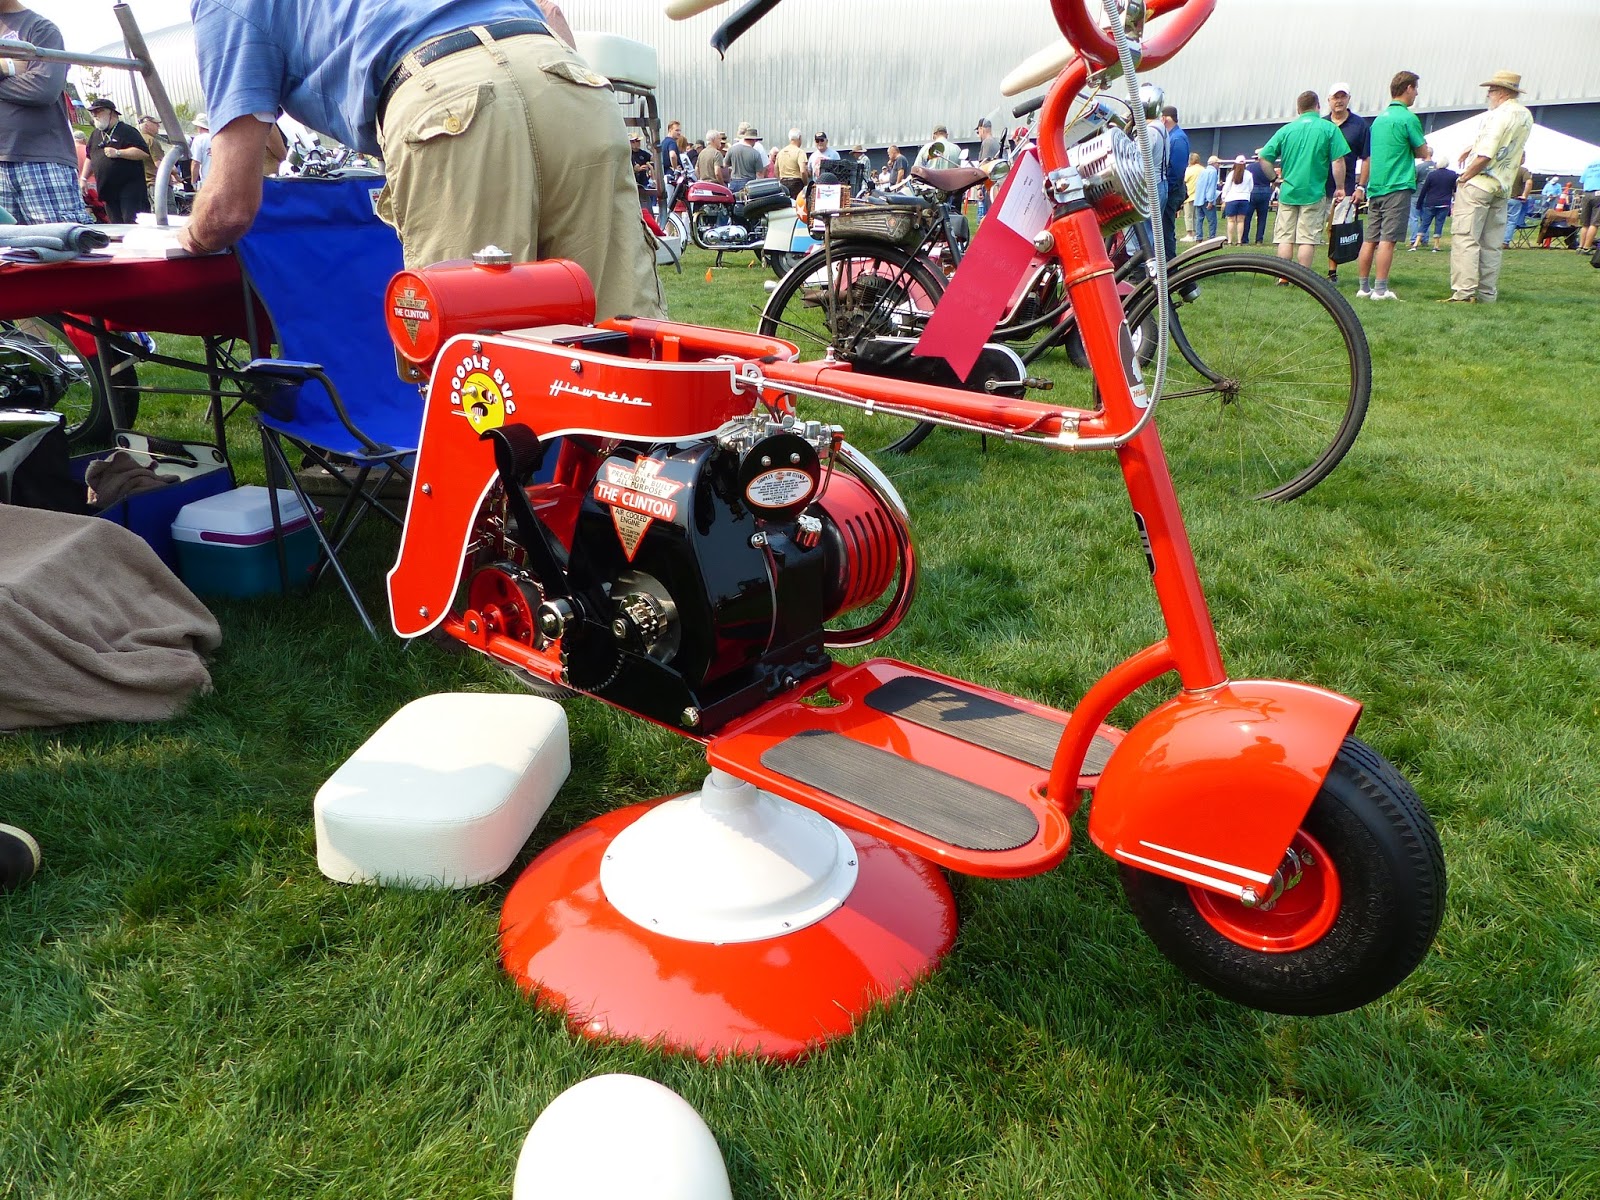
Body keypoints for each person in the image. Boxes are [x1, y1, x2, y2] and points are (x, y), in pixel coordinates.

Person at [180, 1, 663, 323]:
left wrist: (188, 235)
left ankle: (494, 478)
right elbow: (552, 10)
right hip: (565, 75)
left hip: (442, 93)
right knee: (621, 337)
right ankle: (653, 473)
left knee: (475, 365)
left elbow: (229, 206)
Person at [0, 0, 95, 224]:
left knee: (60, 245)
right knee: (6, 256)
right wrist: (11, 68)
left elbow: (43, 89)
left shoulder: (40, 28)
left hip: (41, 161)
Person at [1442, 70, 1533, 303]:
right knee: (1492, 244)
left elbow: (1486, 154)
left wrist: (1465, 176)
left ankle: (1464, 292)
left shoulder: (1497, 115)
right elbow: (1512, 147)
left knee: (1466, 238)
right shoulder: (1524, 115)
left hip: (1479, 184)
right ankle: (1487, 294)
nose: (1488, 95)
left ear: (1501, 92)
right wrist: (1471, 146)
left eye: (1491, 91)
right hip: (1503, 187)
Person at [1354, 70, 1430, 300]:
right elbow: (1422, 151)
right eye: (1415, 89)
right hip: (1397, 186)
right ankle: (1381, 289)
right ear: (1407, 88)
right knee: (1388, 240)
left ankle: (1363, 287)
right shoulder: (1408, 118)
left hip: (1376, 187)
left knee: (1370, 239)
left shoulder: (1378, 120)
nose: (1416, 94)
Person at [1259, 90, 1350, 270]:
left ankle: (1283, 276)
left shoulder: (1286, 130)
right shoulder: (1329, 128)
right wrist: (1340, 187)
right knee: (1306, 238)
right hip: (1314, 191)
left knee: (1285, 237)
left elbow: (1264, 157)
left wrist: (1274, 178)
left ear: (1298, 109)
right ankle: (1304, 277)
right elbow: (1338, 160)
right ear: (1318, 106)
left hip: (1288, 191)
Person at [1321, 82, 1368, 284]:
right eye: (1335, 97)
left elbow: (1367, 158)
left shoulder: (1360, 126)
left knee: (1337, 229)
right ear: (1329, 100)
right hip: (1319, 186)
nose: (1339, 101)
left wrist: (1361, 186)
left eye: (1343, 97)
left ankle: (1332, 272)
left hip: (1346, 187)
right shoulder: (1322, 124)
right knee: (1314, 230)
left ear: (1348, 99)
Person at [81, 98, 152, 223]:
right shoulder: (95, 134)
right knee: (116, 226)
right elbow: (89, 157)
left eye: (98, 111)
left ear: (111, 113)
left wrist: (119, 153)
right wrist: (83, 178)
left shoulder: (127, 131)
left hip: (130, 190)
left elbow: (143, 152)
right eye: (92, 112)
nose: (94, 115)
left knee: (132, 224)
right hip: (108, 189)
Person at [1159, 105, 1190, 257]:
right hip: (1170, 190)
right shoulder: (1174, 137)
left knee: (1165, 231)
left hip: (1171, 192)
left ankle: (1169, 266)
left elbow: (1177, 170)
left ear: (1164, 118)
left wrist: (1165, 190)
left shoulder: (1177, 139)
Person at [1409, 159, 1455, 250]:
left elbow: (1424, 189)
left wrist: (1419, 203)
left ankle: (1415, 244)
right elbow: (1454, 189)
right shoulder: (1452, 175)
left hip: (1430, 202)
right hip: (1444, 203)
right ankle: (1436, 245)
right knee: (1439, 224)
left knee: (1425, 223)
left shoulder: (1432, 175)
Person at [1502, 153, 1532, 248]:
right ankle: (1505, 242)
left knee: (1499, 220)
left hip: (1502, 198)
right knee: (1511, 221)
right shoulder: (1523, 171)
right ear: (1521, 158)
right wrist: (1524, 195)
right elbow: (1529, 182)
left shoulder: (1504, 168)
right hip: (1515, 199)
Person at [1220, 155, 1251, 245]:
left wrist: (1223, 198)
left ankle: (1229, 241)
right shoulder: (1248, 174)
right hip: (1244, 199)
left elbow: (1226, 187)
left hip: (1232, 198)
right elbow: (1251, 187)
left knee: (1231, 220)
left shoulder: (1231, 174)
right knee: (1241, 221)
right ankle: (1239, 241)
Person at [726, 126, 765, 193]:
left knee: (734, 202)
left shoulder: (732, 149)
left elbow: (725, 165)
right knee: (746, 202)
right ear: (754, 140)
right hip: (748, 184)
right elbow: (760, 174)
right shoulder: (755, 153)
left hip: (733, 182)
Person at [772, 128, 808, 199]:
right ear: (800, 138)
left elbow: (776, 169)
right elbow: (803, 171)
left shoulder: (781, 152)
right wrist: (805, 184)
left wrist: (779, 180)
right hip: (796, 184)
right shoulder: (800, 152)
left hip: (783, 183)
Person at [1244, 154, 1273, 243]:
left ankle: (1244, 238)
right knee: (1262, 217)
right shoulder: (1269, 167)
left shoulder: (1249, 167)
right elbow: (1272, 179)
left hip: (1253, 191)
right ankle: (1259, 239)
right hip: (1265, 191)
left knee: (1247, 217)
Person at [1191, 154, 1220, 240]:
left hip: (1198, 199)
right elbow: (1211, 187)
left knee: (1199, 220)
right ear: (1214, 163)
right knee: (1212, 220)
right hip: (1207, 200)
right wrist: (1210, 200)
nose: (1219, 165)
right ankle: (1212, 236)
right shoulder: (1213, 172)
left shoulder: (1203, 171)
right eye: (1218, 163)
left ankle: (1199, 237)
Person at [1576, 155, 1600, 254]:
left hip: (1586, 194)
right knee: (1595, 222)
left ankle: (1580, 247)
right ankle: (1587, 248)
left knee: (1585, 223)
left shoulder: (1590, 164)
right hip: (1598, 193)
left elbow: (1582, 180)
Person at [1181, 151, 1202, 240]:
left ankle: (1190, 234)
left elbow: (1183, 180)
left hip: (1189, 195)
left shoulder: (1188, 170)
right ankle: (1198, 233)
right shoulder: (1203, 169)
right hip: (1200, 196)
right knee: (1197, 216)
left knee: (1188, 216)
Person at [189, 113, 213, 187]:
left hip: (207, 181)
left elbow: (195, 163)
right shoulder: (218, 137)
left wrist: (193, 182)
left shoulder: (199, 139)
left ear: (199, 126)